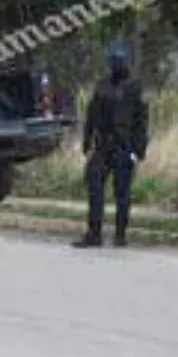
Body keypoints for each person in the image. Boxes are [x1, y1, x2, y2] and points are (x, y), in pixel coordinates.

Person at [74, 40, 149, 248]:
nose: (118, 64)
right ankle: (94, 233)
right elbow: (91, 115)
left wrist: (139, 150)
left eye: (121, 60)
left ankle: (120, 234)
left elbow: (142, 121)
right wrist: (87, 141)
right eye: (115, 60)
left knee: (122, 192)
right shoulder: (102, 86)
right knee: (95, 188)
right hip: (102, 146)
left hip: (124, 147)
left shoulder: (135, 88)